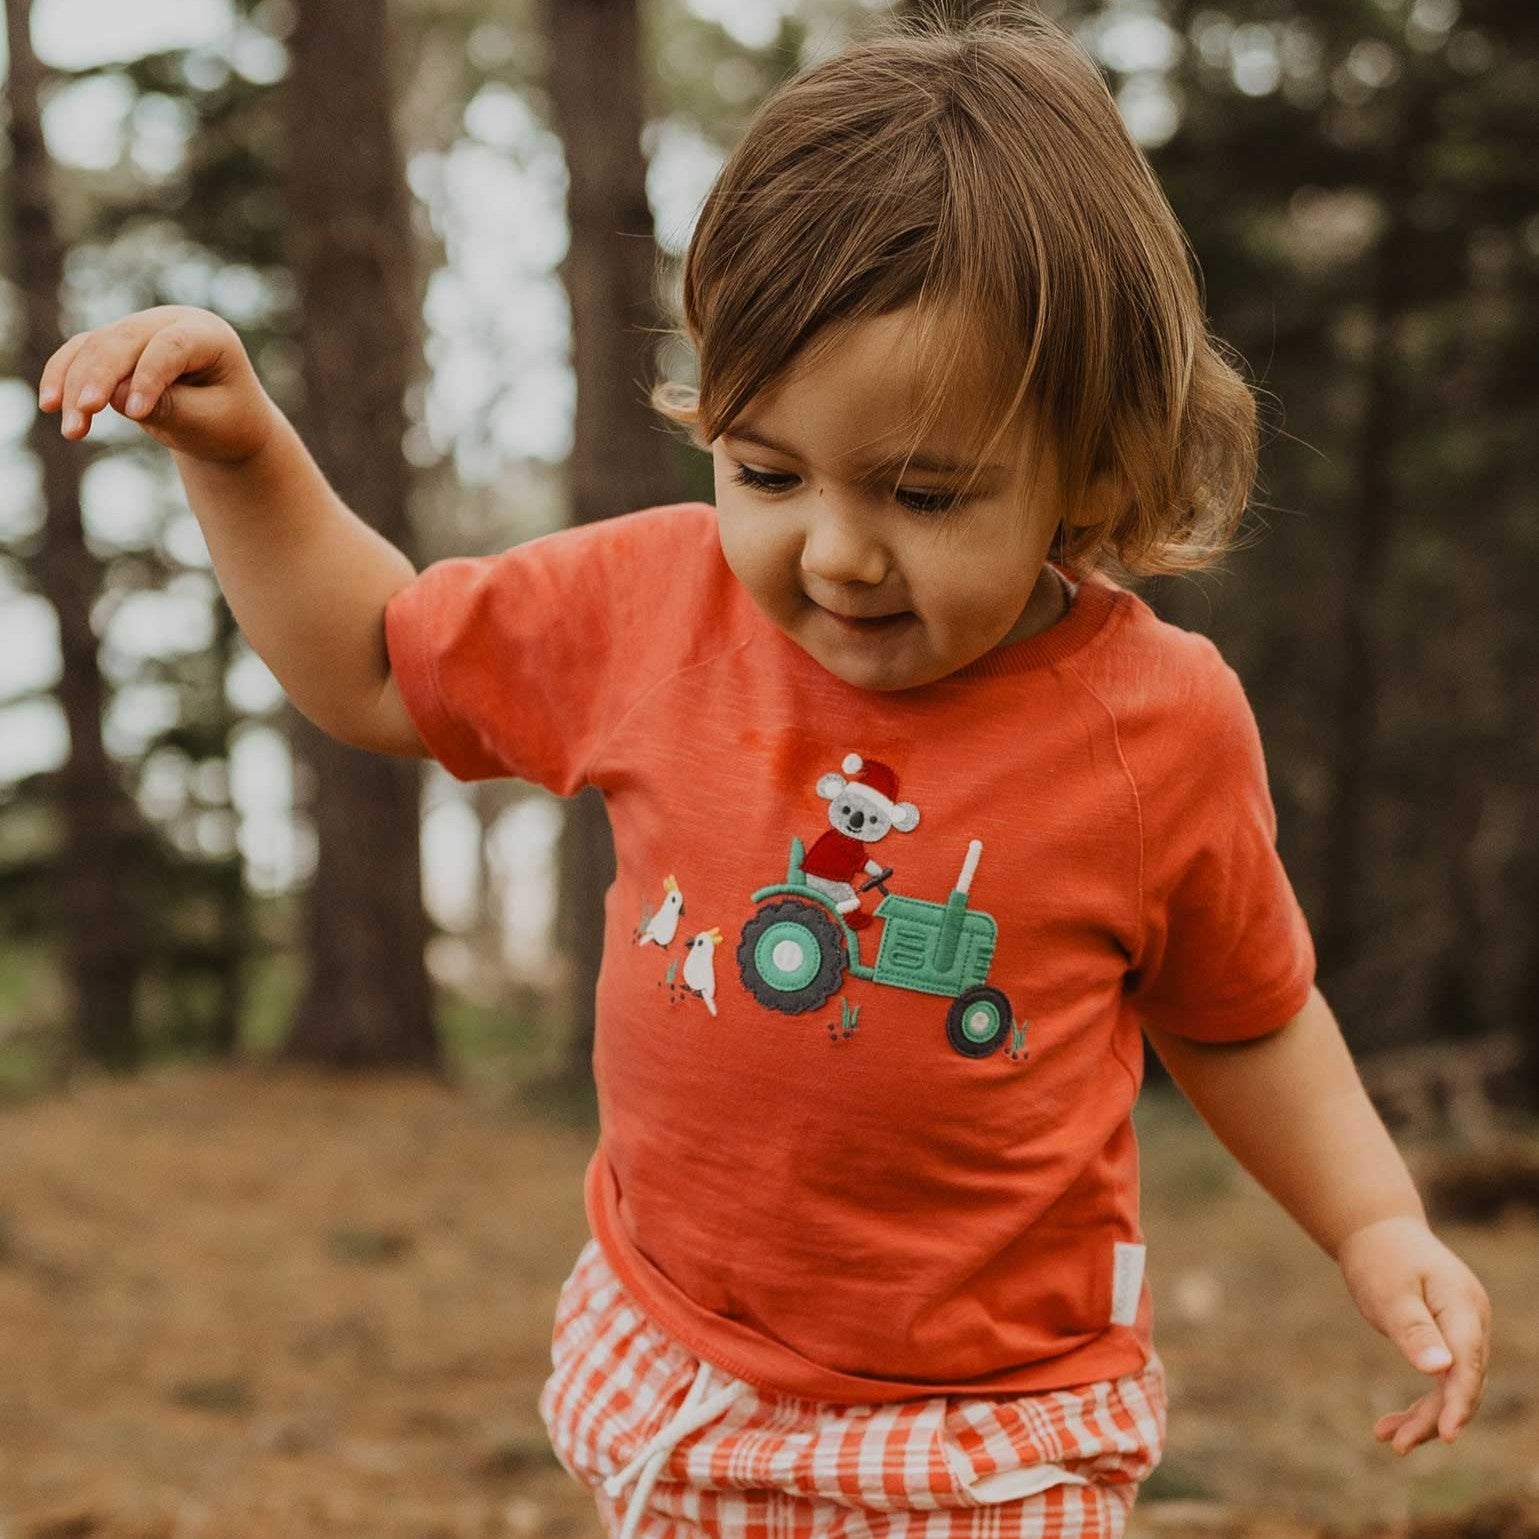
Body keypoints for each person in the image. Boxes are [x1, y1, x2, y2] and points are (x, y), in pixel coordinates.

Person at [38, 6, 1491, 1535]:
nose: (839, 550)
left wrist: (1376, 1218)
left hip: (990, 1433)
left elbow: (1244, 1014)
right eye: (767, 470)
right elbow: (374, 665)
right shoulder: (649, 609)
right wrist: (243, 453)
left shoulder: (1158, 724)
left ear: (1099, 466)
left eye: (924, 492)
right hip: (688, 1374)